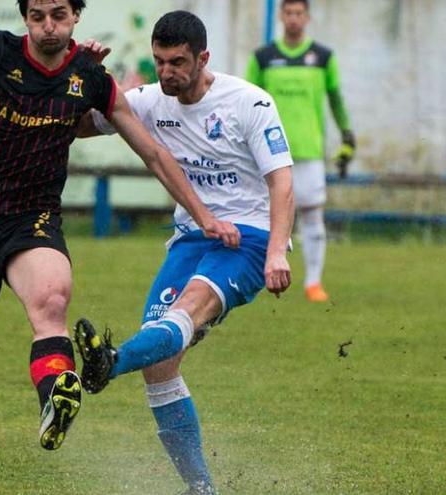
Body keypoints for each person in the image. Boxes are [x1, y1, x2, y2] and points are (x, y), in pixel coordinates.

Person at [0, 1, 234, 493]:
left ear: (75, 17)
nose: (49, 25)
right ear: (25, 19)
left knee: (51, 302)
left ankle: (55, 401)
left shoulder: (90, 78)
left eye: (59, 14)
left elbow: (153, 153)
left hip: (32, 218)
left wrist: (204, 216)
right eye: (39, 15)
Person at [74, 11, 294, 495]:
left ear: (203, 58)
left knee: (188, 310)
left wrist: (277, 252)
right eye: (159, 62)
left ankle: (108, 361)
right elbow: (78, 126)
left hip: (250, 238)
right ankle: (201, 488)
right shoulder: (152, 100)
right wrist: (80, 74)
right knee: (160, 364)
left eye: (177, 62)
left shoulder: (248, 103)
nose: (166, 72)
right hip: (191, 236)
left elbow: (281, 182)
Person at [245, 0, 355, 303]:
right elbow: (245, 102)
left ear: (307, 17)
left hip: (308, 150)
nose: (293, 19)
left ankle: (313, 282)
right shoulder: (264, 57)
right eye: (288, 13)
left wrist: (347, 135)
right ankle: (265, 273)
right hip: (267, 152)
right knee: (265, 216)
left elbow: (336, 100)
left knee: (311, 214)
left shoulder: (322, 57)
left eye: (299, 14)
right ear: (281, 16)